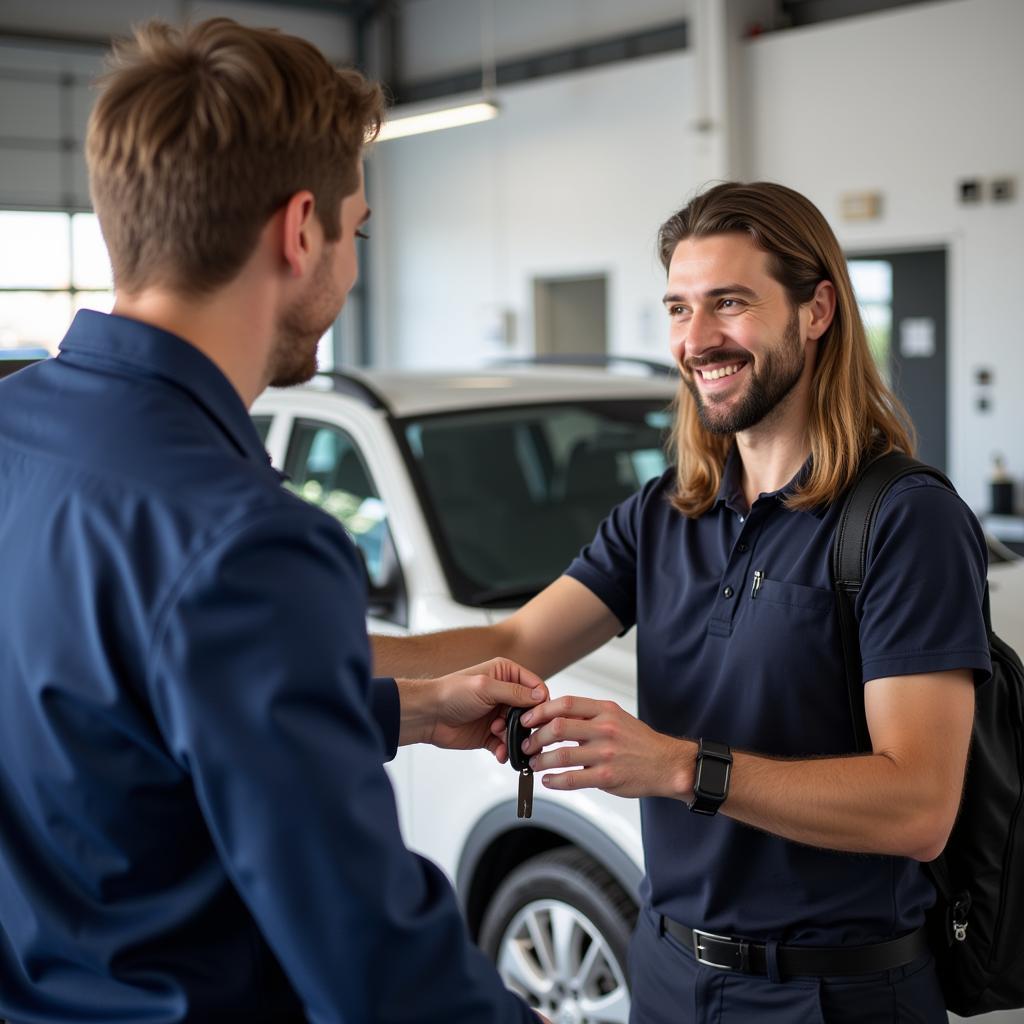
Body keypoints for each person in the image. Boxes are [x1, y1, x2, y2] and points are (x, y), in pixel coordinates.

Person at [0, 18, 551, 1024]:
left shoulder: (16, 435)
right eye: (359, 231)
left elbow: (109, 729)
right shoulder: (249, 542)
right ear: (301, 232)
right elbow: (376, 970)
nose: (351, 265)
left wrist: (407, 708)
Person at [372, 182, 992, 1022]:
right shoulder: (667, 511)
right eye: (677, 308)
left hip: (831, 991)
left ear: (816, 312)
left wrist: (675, 765)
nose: (696, 341)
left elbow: (919, 806)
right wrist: (311, 658)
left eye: (728, 304)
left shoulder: (903, 519)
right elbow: (516, 636)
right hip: (665, 973)